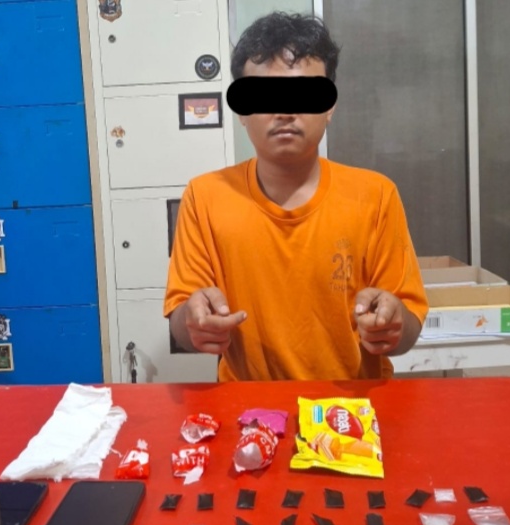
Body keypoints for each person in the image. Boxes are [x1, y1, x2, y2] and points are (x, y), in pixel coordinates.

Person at [164, 12, 428, 381]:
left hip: (350, 404)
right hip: (248, 405)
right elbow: (181, 320)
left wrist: (393, 323)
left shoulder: (375, 196)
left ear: (329, 107)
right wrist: (194, 323)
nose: (285, 111)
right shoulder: (205, 197)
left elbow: (408, 327)